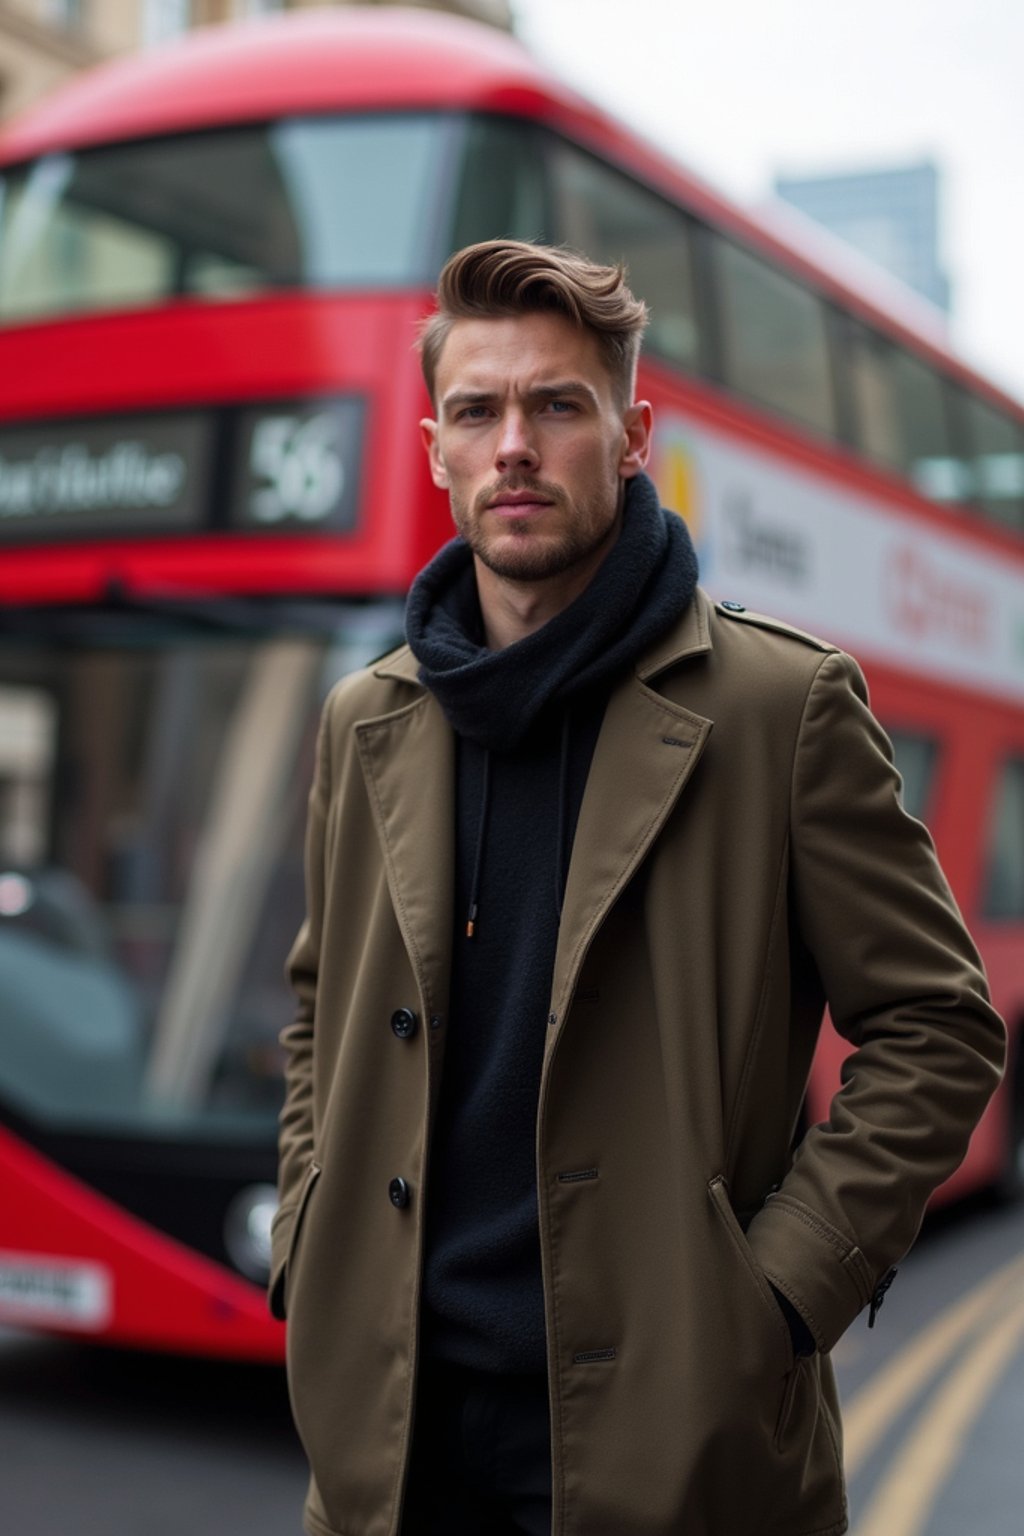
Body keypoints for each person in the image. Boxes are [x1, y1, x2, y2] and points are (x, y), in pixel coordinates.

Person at [271, 239, 1005, 1536]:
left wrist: (777, 1293)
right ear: (435, 444)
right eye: (482, 411)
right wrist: (306, 1241)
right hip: (392, 1447)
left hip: (676, 1450)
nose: (515, 445)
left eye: (558, 405)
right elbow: (321, 1002)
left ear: (631, 437)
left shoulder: (782, 707)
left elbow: (938, 1026)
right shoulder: (362, 718)